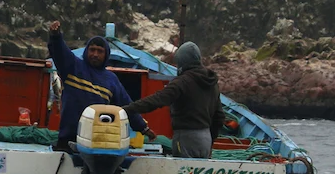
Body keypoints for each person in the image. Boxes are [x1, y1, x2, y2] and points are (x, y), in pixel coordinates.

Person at [47, 20, 154, 151]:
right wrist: (56, 35)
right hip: (68, 139)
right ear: (86, 51)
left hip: (98, 143)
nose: (95, 54)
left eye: (100, 51)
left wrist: (143, 128)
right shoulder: (72, 66)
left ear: (106, 55)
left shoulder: (111, 80)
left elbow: (126, 107)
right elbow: (60, 51)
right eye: (92, 50)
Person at [122, 41, 224, 158]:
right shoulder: (212, 83)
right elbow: (219, 117)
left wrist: (127, 109)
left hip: (186, 138)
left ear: (182, 62)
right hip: (205, 139)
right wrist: (211, 140)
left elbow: (157, 99)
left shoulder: (182, 82)